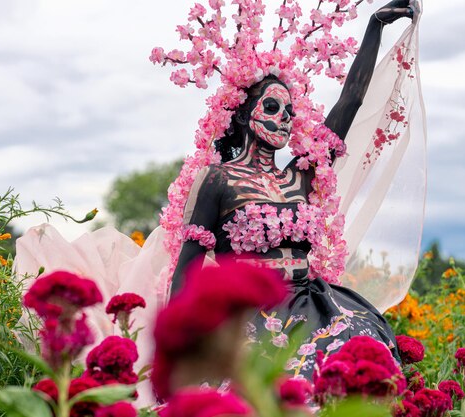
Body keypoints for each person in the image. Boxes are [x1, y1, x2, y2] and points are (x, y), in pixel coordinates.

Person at [169, 0, 417, 377]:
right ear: (241, 114)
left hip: (311, 306)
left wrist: (375, 28)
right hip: (248, 316)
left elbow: (349, 101)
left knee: (360, 358)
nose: (284, 119)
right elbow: (186, 271)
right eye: (271, 107)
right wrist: (179, 350)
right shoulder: (219, 179)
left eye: (289, 111)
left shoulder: (301, 175)